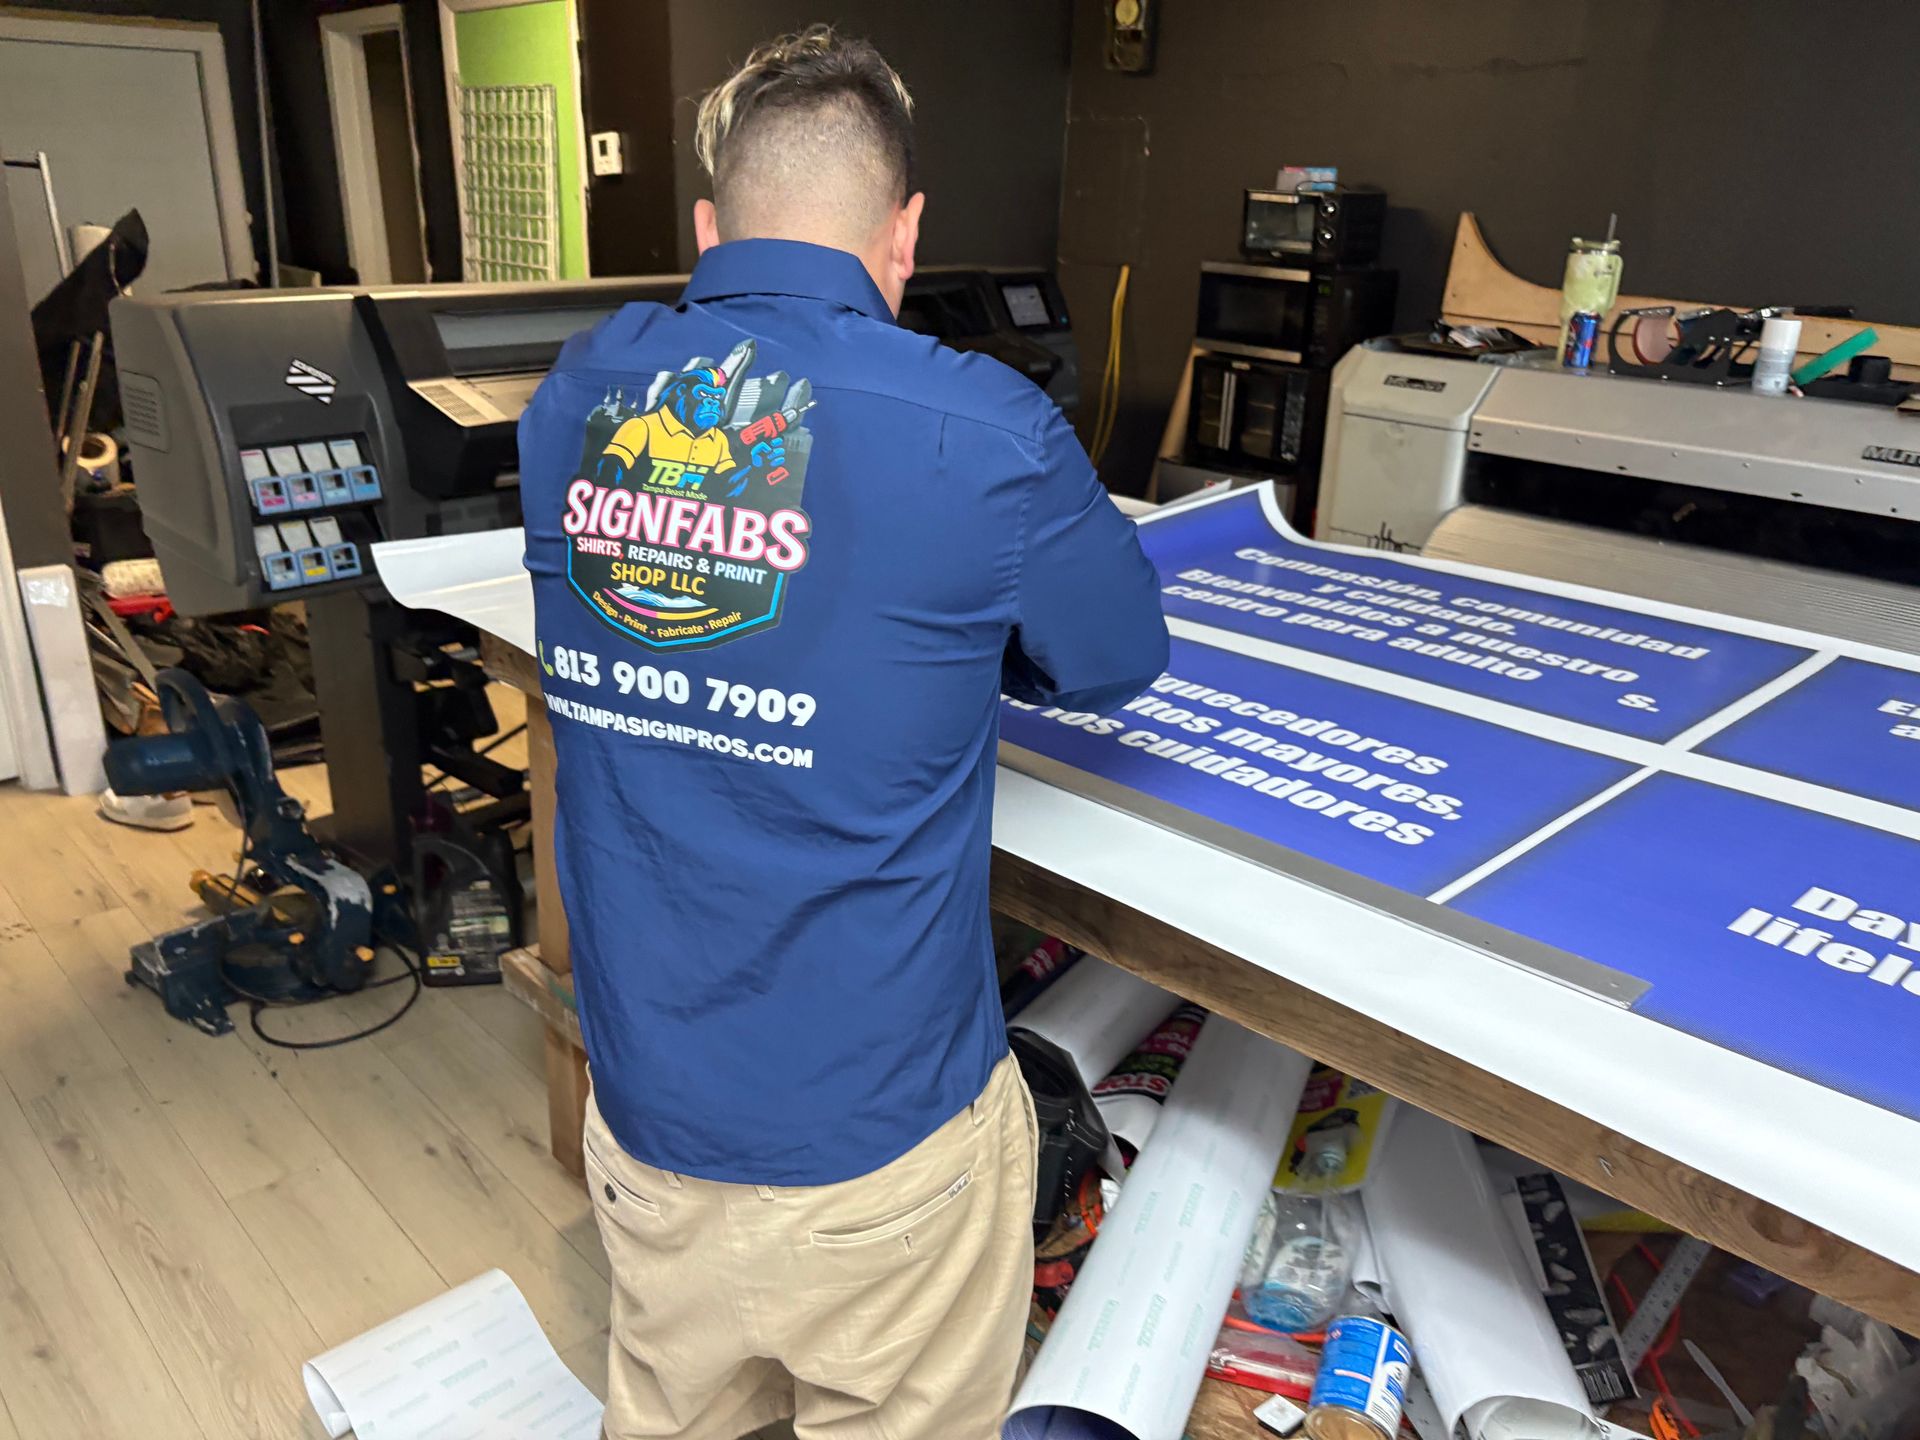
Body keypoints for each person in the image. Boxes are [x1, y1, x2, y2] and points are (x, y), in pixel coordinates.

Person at [519, 25, 1168, 1440]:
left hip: (645, 1123)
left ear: (706, 229)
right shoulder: (986, 431)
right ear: (905, 234)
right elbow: (1117, 658)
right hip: (884, 1155)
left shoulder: (570, 399)